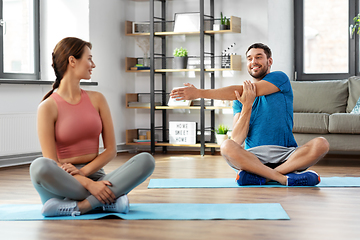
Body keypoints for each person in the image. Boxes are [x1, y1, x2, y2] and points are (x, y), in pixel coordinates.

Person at [170, 43, 329, 186]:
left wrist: (199, 92)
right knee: (226, 145)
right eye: (250, 58)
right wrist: (247, 105)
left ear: (269, 61)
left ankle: (264, 177)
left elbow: (239, 91)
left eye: (259, 57)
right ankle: (283, 178)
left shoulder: (280, 78)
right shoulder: (239, 101)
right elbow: (237, 139)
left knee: (321, 144)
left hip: (286, 154)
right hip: (254, 158)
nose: (254, 61)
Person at [30, 37, 155, 217]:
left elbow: (111, 150)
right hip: (63, 182)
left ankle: (81, 206)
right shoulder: (47, 107)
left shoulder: (98, 99)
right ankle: (108, 200)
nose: (93, 64)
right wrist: (87, 184)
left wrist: (86, 173)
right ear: (72, 61)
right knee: (40, 166)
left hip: (97, 176)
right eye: (89, 58)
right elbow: (52, 162)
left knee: (146, 160)